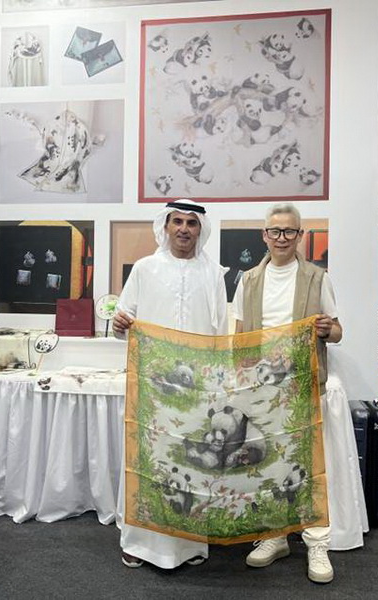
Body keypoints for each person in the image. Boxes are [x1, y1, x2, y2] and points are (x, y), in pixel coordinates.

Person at [113, 198, 228, 569]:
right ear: (165, 226)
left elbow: (220, 333)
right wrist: (118, 325)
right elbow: (122, 323)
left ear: (200, 230)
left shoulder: (213, 274)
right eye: (177, 221)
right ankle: (139, 542)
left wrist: (219, 384)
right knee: (149, 459)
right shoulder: (145, 269)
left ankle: (189, 544)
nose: (183, 229)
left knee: (192, 460)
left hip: (198, 390)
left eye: (191, 223)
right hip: (153, 387)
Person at [232, 202, 342, 584]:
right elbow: (240, 334)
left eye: (289, 231)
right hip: (261, 387)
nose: (282, 238)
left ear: (300, 235)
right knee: (267, 463)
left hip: (302, 384)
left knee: (309, 464)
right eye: (275, 231)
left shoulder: (316, 278)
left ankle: (317, 543)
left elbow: (338, 331)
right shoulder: (248, 280)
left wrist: (327, 329)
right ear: (264, 235)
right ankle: (274, 535)